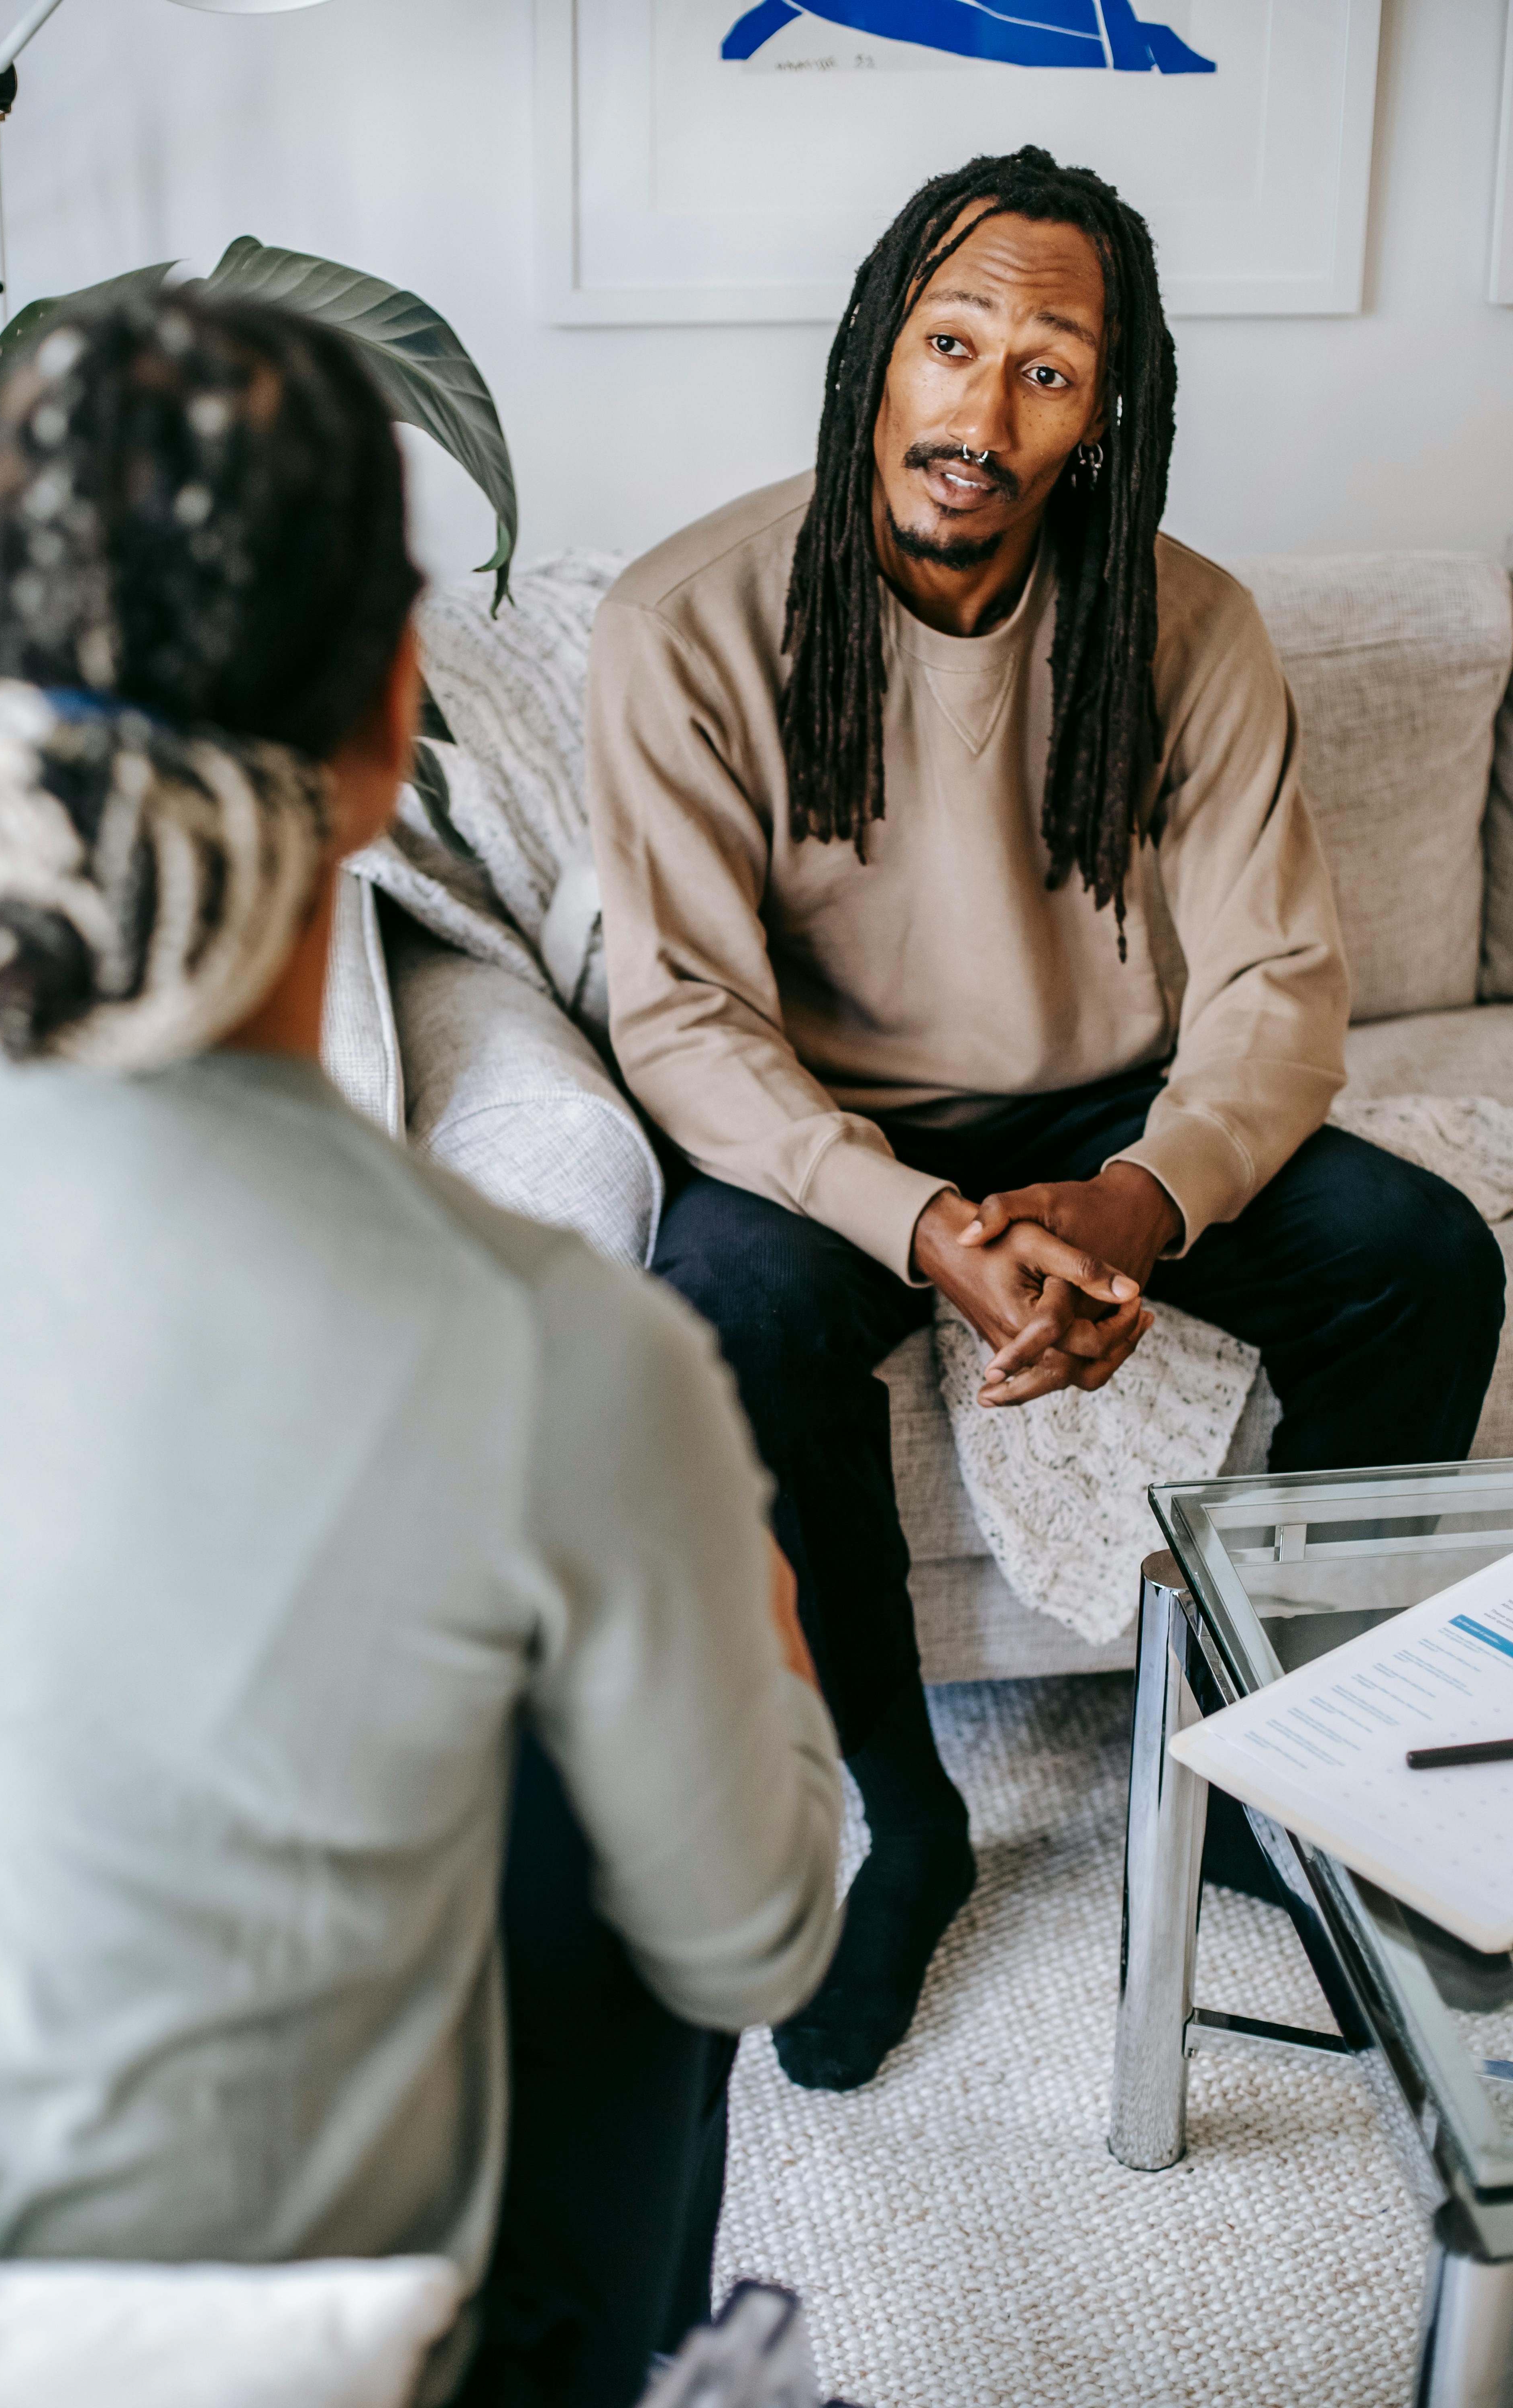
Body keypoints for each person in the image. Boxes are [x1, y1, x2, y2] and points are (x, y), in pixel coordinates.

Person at [0, 293, 843, 2408]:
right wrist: (763, 1625)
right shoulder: (555, 1359)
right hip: (281, 2360)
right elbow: (761, 1938)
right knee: (596, 1826)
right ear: (389, 712)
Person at [586, 145, 1507, 2097]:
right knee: (724, 1319)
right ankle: (898, 1820)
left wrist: (1128, 1211)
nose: (982, 412)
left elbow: (1275, 991)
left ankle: (1277, 1778)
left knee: (1425, 1264)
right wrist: (921, 1223)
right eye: (951, 342)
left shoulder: (1188, 626)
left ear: (1107, 414)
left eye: (1048, 370)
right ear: (874, 358)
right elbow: (674, 1014)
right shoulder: (687, 622)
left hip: (1109, 1106)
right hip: (826, 1119)